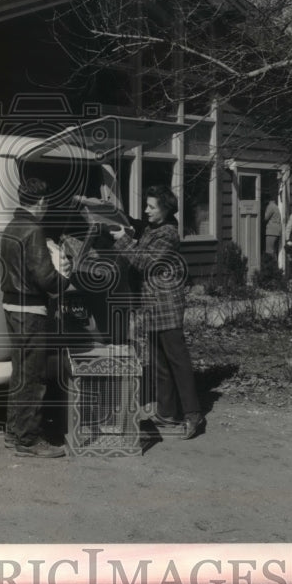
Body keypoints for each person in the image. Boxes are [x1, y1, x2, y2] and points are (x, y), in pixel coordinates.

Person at [110, 185, 205, 440]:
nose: (146, 210)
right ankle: (168, 412)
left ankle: (193, 414)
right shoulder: (153, 228)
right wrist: (110, 211)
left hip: (166, 305)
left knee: (178, 361)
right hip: (151, 306)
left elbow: (144, 261)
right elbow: (134, 224)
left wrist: (122, 238)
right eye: (146, 206)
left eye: (151, 207)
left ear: (165, 208)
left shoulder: (169, 234)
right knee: (160, 363)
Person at [0, 177, 69, 458]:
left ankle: (14, 432)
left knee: (20, 373)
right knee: (35, 377)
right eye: (47, 202)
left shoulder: (11, 227)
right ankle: (29, 440)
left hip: (11, 307)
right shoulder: (34, 230)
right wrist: (66, 277)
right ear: (40, 202)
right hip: (31, 310)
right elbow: (46, 279)